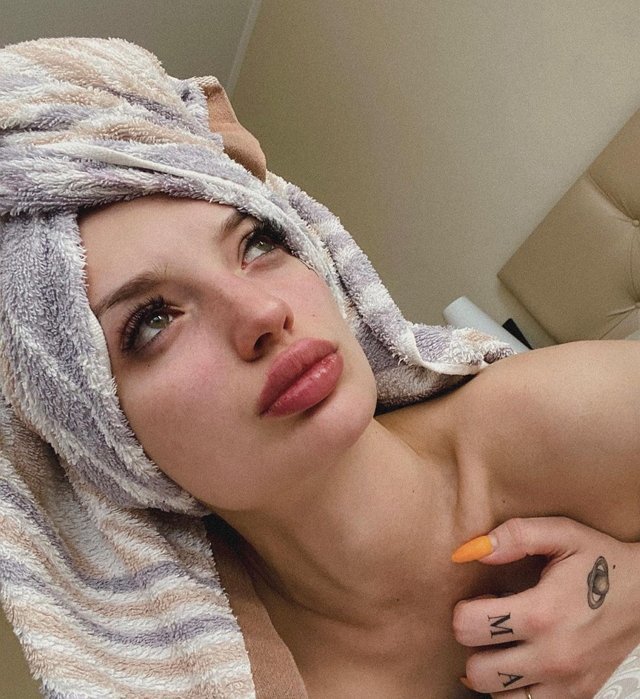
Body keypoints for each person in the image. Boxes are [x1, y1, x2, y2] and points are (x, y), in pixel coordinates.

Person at [0, 37, 638, 699]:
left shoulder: (563, 422)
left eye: (257, 243)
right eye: (153, 320)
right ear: (99, 434)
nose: (262, 312)